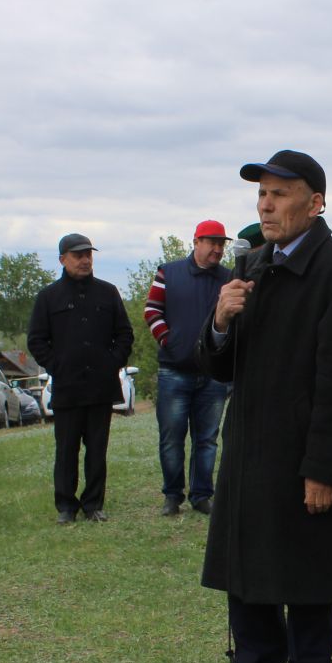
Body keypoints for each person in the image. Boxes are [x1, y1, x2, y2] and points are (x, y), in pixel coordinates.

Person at [199, 150, 332, 663]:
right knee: (245, 569)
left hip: (303, 451)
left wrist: (324, 466)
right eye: (260, 195)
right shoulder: (250, 263)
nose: (265, 204)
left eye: (279, 193)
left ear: (316, 201)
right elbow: (223, 370)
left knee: (304, 571)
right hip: (249, 446)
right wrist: (220, 322)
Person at [27, 232, 134, 524]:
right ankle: (66, 506)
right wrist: (56, 366)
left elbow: (124, 334)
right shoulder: (49, 297)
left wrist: (113, 362)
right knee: (66, 451)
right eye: (78, 255)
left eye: (88, 254)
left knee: (97, 450)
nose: (85, 260)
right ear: (63, 259)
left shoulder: (108, 292)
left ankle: (93, 504)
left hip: (101, 386)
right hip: (67, 387)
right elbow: (36, 340)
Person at [144, 220, 235, 516]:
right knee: (171, 438)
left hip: (213, 375)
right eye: (211, 242)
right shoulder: (168, 272)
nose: (218, 249)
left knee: (207, 439)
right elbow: (152, 310)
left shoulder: (229, 278)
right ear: (196, 242)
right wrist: (168, 340)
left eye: (222, 243)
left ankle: (201, 495)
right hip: (174, 371)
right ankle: (172, 496)